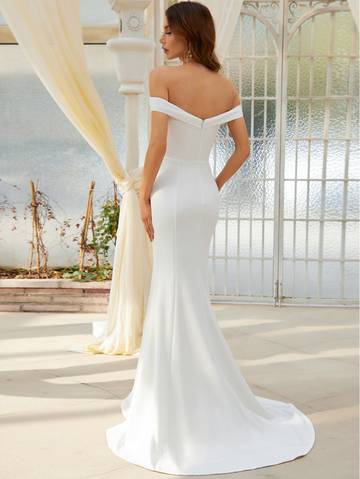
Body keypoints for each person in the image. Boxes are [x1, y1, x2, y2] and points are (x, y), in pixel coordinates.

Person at [106, 1, 315, 475]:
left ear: (185, 33)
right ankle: (190, 389)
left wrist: (143, 196)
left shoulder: (163, 78)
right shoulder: (224, 85)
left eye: (166, 31)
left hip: (172, 191)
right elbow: (243, 148)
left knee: (172, 291)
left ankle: (174, 400)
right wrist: (214, 185)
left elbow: (158, 144)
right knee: (188, 291)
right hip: (202, 190)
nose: (161, 40)